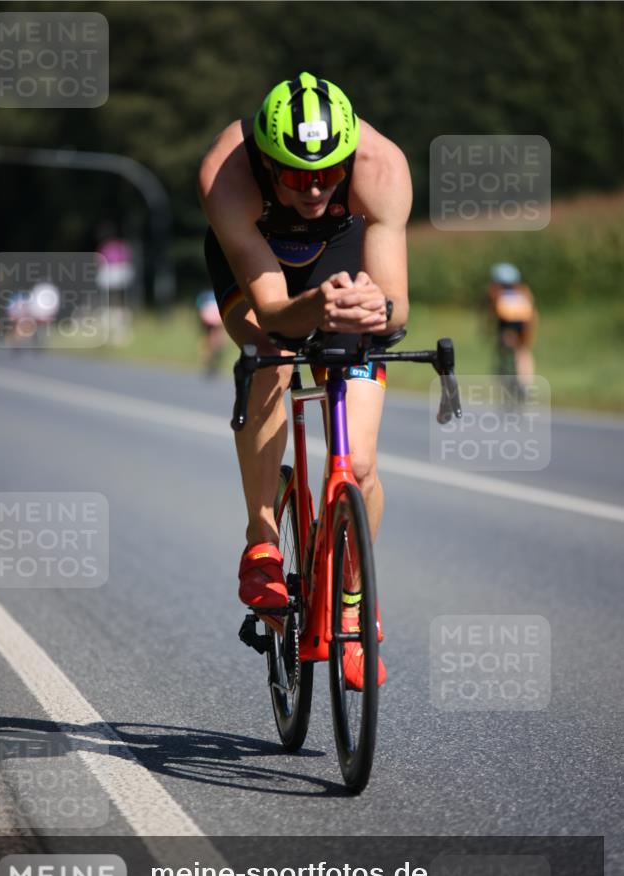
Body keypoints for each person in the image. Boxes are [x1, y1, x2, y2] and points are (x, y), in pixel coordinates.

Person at [198, 72, 411, 689]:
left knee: (361, 466)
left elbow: (397, 303)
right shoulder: (227, 174)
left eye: (328, 173)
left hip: (343, 257)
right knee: (271, 348)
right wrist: (315, 308)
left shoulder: (380, 166)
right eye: (295, 174)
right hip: (263, 267)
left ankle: (352, 606)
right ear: (267, 161)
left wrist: (375, 310)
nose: (315, 187)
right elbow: (270, 309)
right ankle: (263, 539)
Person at [486, 262, 537, 391]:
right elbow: (532, 313)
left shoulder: (496, 293)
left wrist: (487, 328)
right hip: (524, 323)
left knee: (502, 348)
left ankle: (503, 377)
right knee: (522, 351)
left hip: (506, 323)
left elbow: (492, 314)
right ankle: (525, 382)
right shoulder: (523, 292)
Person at [196, 289, 227, 376]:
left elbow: (200, 306)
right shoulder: (220, 291)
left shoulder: (204, 294)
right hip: (216, 318)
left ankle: (207, 357)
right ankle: (213, 355)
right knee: (217, 338)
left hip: (208, 317)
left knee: (210, 338)